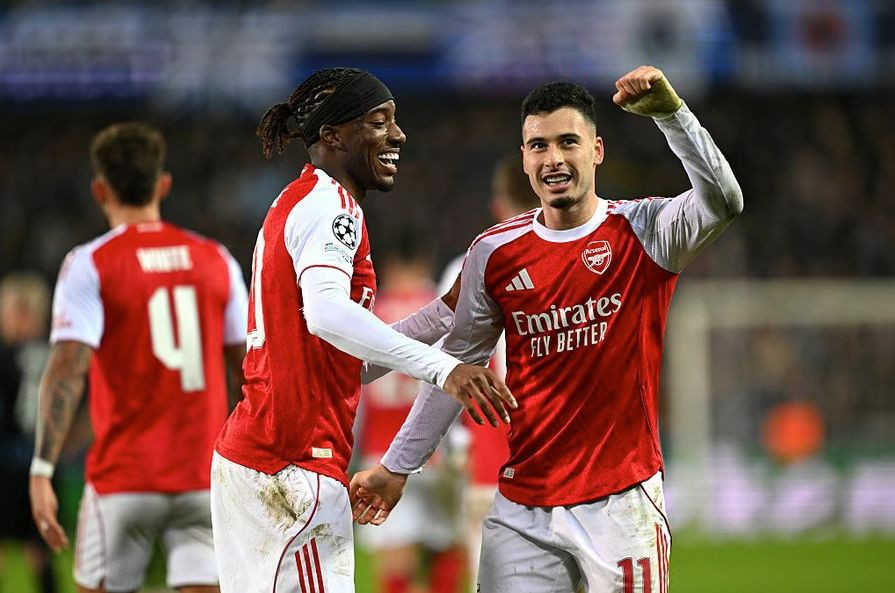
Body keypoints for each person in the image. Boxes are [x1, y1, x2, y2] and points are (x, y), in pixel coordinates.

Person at [351, 65, 743, 593]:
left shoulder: (644, 230)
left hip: (620, 503)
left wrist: (673, 116)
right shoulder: (494, 253)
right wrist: (397, 467)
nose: (553, 158)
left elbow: (724, 201)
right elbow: (454, 371)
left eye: (567, 142)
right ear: (524, 158)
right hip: (523, 509)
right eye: (538, 146)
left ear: (596, 151)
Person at [210, 67, 515, 593]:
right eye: (379, 122)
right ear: (333, 136)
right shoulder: (331, 207)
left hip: (265, 459)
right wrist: (444, 369)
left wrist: (442, 314)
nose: (398, 135)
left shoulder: (302, 200)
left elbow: (343, 360)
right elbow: (326, 313)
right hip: (291, 463)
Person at [28, 122, 249, 593]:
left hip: (124, 479)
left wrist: (42, 469)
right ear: (163, 185)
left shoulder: (90, 263)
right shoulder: (216, 259)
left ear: (100, 190)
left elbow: (66, 371)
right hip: (202, 476)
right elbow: (250, 371)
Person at [437, 154, 541, 592]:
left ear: (498, 206)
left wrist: (454, 444)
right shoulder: (578, 256)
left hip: (489, 458)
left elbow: (444, 368)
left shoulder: (466, 267)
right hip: (560, 460)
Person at [0, 272, 56, 593]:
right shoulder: (55, 352)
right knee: (39, 545)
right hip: (43, 462)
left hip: (8, 459)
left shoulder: (7, 355)